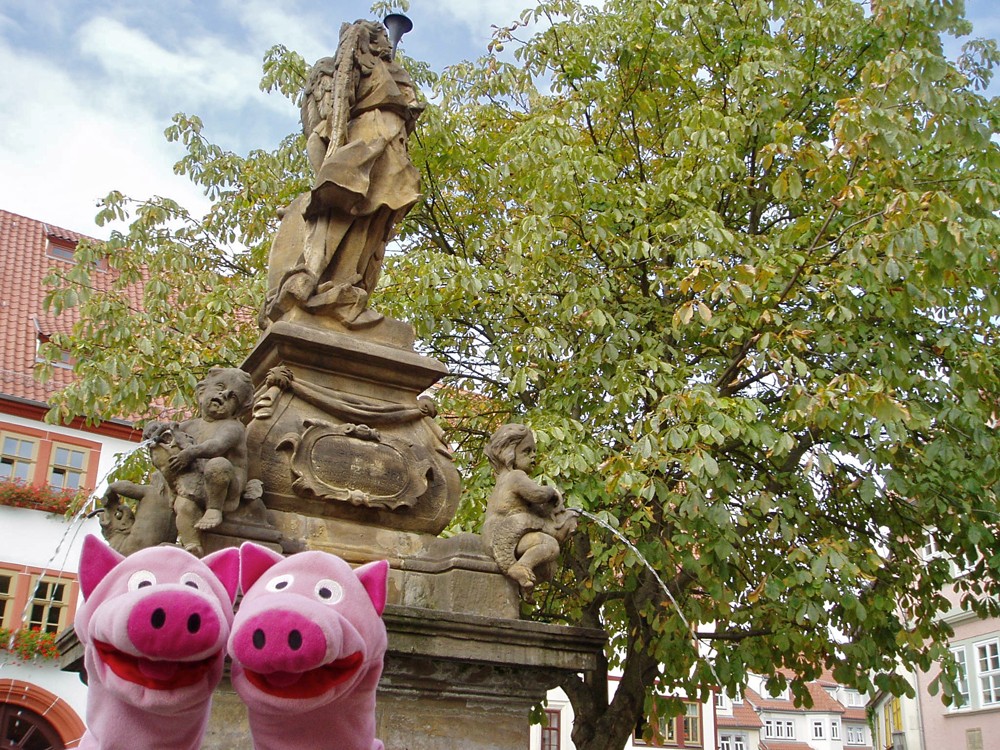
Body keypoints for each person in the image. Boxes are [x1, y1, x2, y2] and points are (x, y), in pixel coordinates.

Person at [263, 19, 425, 327]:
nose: (386, 46)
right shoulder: (359, 72)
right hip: (372, 141)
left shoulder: (388, 73)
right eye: (382, 40)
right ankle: (316, 279)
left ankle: (347, 285)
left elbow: (411, 109)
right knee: (346, 204)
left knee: (374, 220)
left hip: (389, 147)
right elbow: (329, 118)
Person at [482, 424, 577, 601]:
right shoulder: (516, 476)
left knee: (548, 563)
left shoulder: (503, 481)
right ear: (508, 453)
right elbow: (537, 494)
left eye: (534, 451)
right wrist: (552, 492)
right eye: (527, 451)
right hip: (503, 536)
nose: (534, 455)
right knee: (549, 545)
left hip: (498, 535)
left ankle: (524, 581)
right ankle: (521, 567)